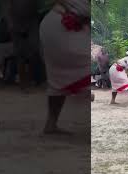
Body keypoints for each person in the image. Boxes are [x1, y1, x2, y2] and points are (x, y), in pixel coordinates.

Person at [40, 0, 89, 135]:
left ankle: (51, 124)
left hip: (52, 23)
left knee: (57, 80)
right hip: (64, 26)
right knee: (94, 67)